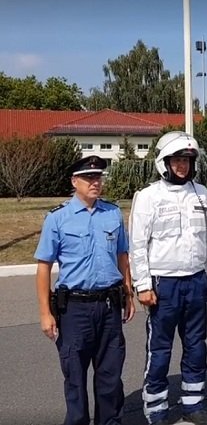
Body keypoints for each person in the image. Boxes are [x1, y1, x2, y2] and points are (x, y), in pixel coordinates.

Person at [35, 155, 135, 425]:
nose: (95, 182)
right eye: (89, 177)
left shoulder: (112, 213)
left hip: (109, 306)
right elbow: (44, 266)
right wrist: (45, 313)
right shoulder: (58, 219)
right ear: (74, 181)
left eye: (98, 177)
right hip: (75, 310)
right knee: (75, 378)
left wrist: (128, 293)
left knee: (110, 376)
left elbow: (122, 255)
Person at [129, 131, 207, 425]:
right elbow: (138, 245)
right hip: (163, 285)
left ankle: (193, 404)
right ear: (164, 162)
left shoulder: (201, 193)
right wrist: (142, 285)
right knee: (160, 349)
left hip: (195, 281)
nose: (183, 166)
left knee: (196, 345)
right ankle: (156, 408)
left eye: (187, 161)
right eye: (177, 160)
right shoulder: (148, 197)